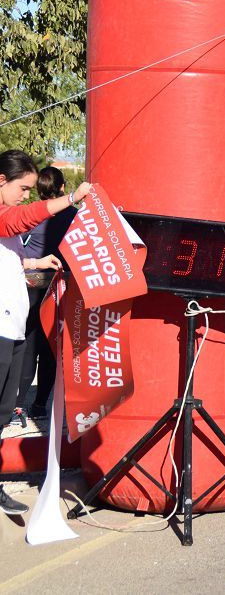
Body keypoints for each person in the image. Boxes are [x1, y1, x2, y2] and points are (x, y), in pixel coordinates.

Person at [0, 150, 91, 516]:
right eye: (23, 188)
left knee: (4, 409)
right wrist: (70, 199)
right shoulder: (8, 214)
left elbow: (7, 253)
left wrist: (34, 262)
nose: (27, 196)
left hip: (14, 321)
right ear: (1, 181)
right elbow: (21, 219)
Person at [17, 167, 77, 419]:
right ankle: (41, 404)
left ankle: (18, 403)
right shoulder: (75, 216)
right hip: (58, 285)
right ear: (62, 188)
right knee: (50, 345)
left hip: (30, 285)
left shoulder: (32, 215)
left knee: (28, 343)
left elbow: (20, 244)